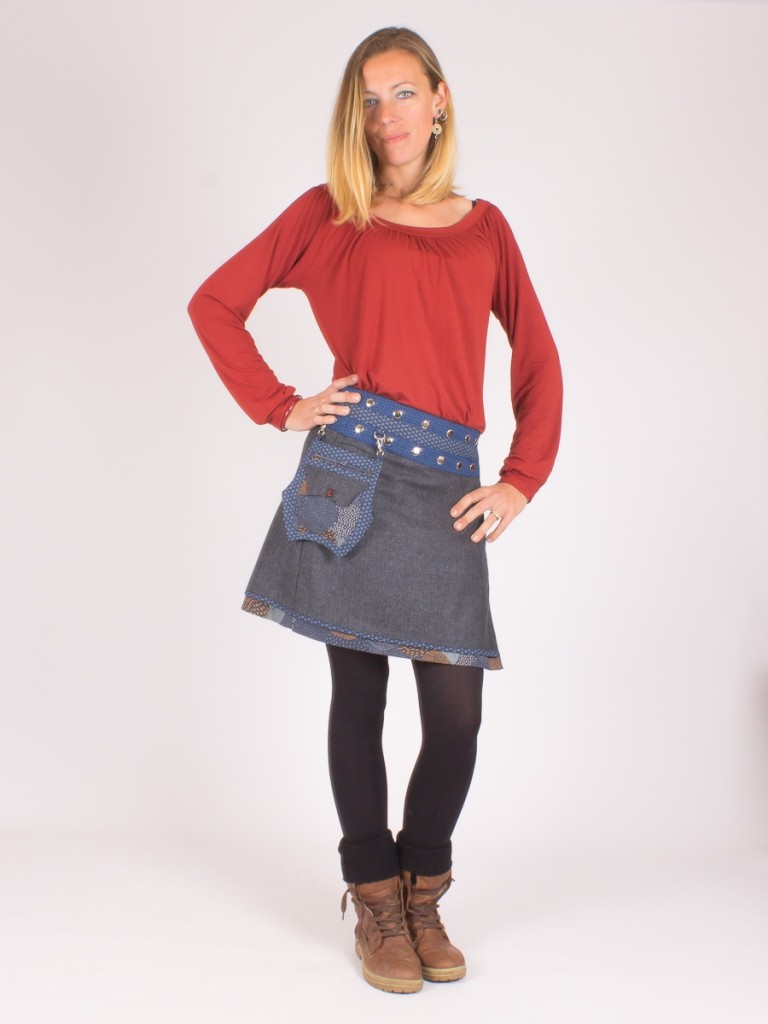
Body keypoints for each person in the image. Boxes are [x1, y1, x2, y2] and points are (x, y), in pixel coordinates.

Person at [188, 26, 562, 994]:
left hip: (447, 485)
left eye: (401, 92)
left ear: (439, 100)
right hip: (350, 472)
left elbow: (537, 357)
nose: (385, 114)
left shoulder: (486, 228)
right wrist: (282, 405)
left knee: (456, 714)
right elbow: (214, 303)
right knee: (359, 698)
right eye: (368, 99)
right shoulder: (330, 213)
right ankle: (375, 898)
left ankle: (423, 886)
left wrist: (520, 477)